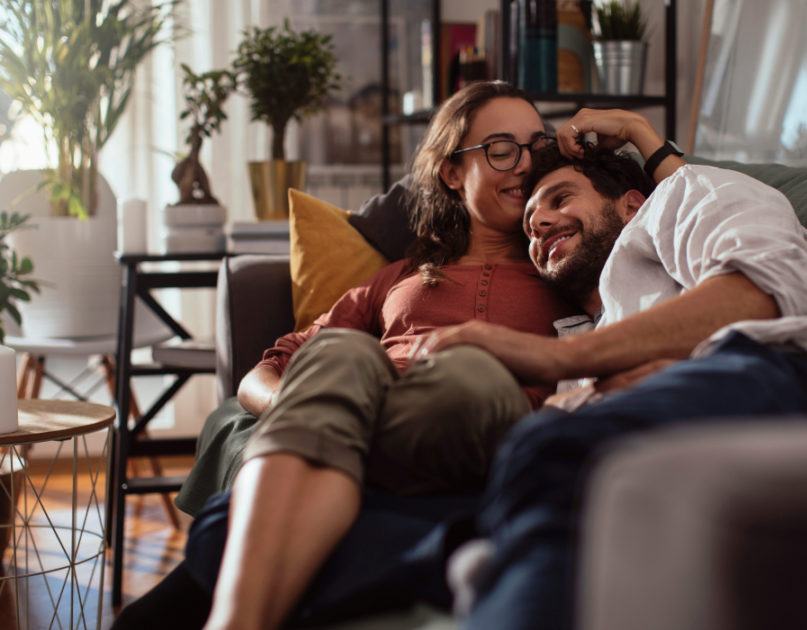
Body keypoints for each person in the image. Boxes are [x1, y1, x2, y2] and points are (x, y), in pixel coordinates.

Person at [114, 81, 583, 630]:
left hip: (478, 411)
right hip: (366, 413)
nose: (526, 164)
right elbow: (269, 370)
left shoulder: (570, 267)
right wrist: (310, 408)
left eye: (538, 146)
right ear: (453, 172)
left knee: (471, 372)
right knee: (341, 351)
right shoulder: (399, 278)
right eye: (502, 149)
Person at [410, 109, 807, 629]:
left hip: (777, 372)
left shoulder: (682, 196)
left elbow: (764, 289)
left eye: (560, 199)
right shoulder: (585, 327)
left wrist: (559, 360)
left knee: (551, 451)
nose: (542, 225)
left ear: (630, 204)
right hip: (672, 437)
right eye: (530, 225)